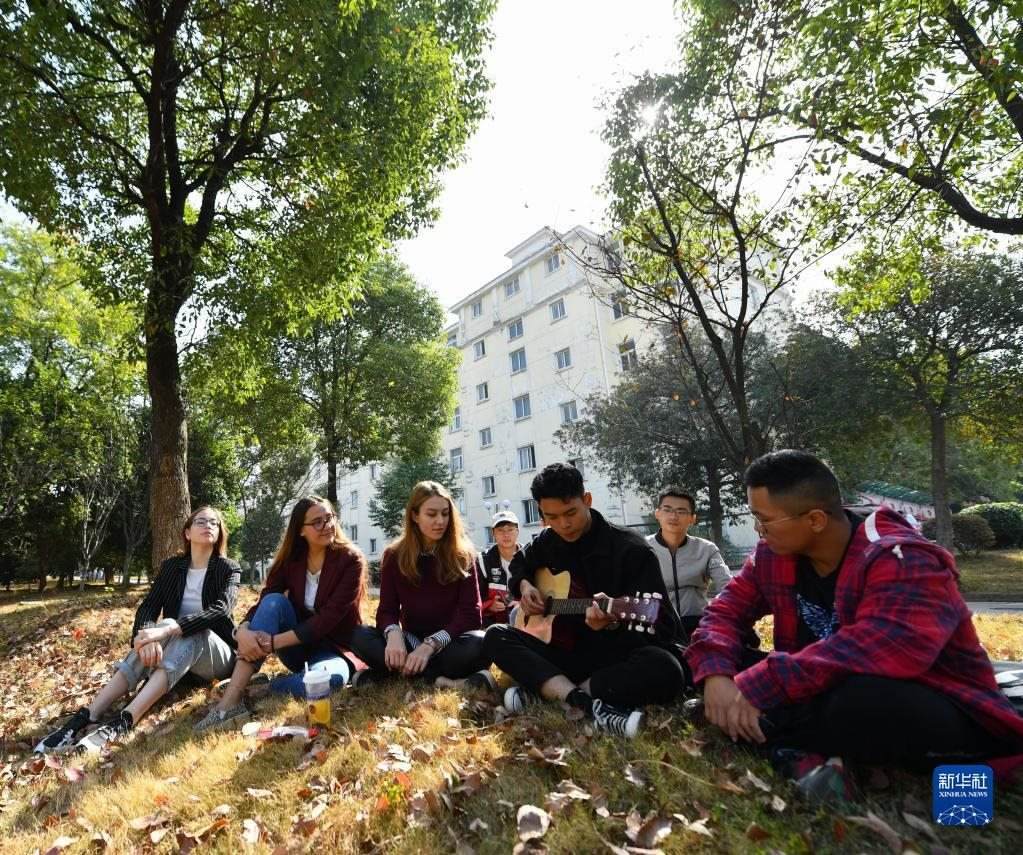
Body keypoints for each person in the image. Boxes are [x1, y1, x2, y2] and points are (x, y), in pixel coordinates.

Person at [686, 450, 1023, 794]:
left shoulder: (902, 556)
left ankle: (766, 729)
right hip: (819, 686)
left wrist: (762, 684)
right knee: (721, 664)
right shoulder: (771, 556)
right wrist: (717, 677)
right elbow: (723, 613)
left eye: (764, 520)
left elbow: (880, 649)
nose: (758, 530)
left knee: (858, 702)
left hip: (929, 696)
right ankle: (786, 734)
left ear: (815, 520)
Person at [484, 463, 688, 738]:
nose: (563, 524)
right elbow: (520, 563)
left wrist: (613, 622)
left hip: (614, 658)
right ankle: (582, 702)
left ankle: (555, 693)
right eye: (551, 517)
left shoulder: (631, 549)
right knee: (495, 635)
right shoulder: (547, 541)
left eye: (570, 513)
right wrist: (525, 585)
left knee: (667, 669)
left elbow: (661, 623)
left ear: (587, 500)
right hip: (564, 653)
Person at [36, 507, 240, 753]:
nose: (208, 525)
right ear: (187, 532)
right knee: (153, 631)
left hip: (218, 657)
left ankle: (126, 719)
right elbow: (148, 607)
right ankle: (88, 714)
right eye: (201, 521)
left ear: (219, 534)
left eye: (214, 523)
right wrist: (145, 638)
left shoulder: (229, 568)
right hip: (178, 656)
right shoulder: (172, 567)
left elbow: (221, 609)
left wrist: (169, 628)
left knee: (186, 629)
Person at [195, 496, 366, 732]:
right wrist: (243, 629)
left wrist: (272, 642)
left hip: (333, 649)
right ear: (301, 530)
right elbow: (267, 599)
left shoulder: (351, 560)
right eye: (317, 522)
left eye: (329, 518)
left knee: (330, 681)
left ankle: (263, 688)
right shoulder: (291, 560)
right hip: (295, 649)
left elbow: (328, 619)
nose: (327, 525)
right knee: (274, 602)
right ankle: (230, 701)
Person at [349, 481, 490, 690]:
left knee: (483, 642)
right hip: (409, 642)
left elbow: (471, 615)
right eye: (431, 514)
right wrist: (393, 634)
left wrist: (431, 645)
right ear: (415, 516)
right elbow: (387, 610)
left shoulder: (463, 555)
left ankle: (393, 675)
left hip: (450, 642)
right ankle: (440, 680)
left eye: (445, 514)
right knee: (357, 635)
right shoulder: (394, 555)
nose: (440, 521)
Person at [646, 488, 731, 640]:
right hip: (657, 625)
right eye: (667, 509)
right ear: (657, 513)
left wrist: (718, 613)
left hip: (698, 624)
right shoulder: (642, 548)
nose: (673, 516)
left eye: (681, 511)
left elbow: (727, 585)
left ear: (692, 518)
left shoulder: (706, 549)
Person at [475, 509, 522, 627]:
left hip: (525, 622)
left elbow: (541, 593)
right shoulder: (482, 560)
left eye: (510, 529)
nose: (506, 535)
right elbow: (473, 599)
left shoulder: (530, 557)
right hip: (493, 625)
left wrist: (522, 605)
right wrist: (489, 605)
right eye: (500, 530)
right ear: (493, 533)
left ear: (517, 531)